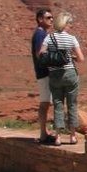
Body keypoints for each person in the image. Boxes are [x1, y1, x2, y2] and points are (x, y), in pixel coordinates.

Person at [38, 12, 85, 144]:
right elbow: (81, 58)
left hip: (55, 75)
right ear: (65, 24)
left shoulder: (49, 37)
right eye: (70, 23)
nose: (70, 26)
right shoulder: (72, 38)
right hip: (70, 74)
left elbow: (41, 53)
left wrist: (53, 57)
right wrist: (71, 57)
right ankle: (72, 136)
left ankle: (58, 137)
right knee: (72, 104)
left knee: (58, 104)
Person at [31, 8, 57, 144]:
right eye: (48, 18)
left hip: (44, 73)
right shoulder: (40, 35)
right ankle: (43, 134)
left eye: (52, 17)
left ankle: (44, 132)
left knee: (46, 103)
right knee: (45, 103)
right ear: (40, 19)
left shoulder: (42, 34)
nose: (51, 20)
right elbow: (40, 54)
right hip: (44, 73)